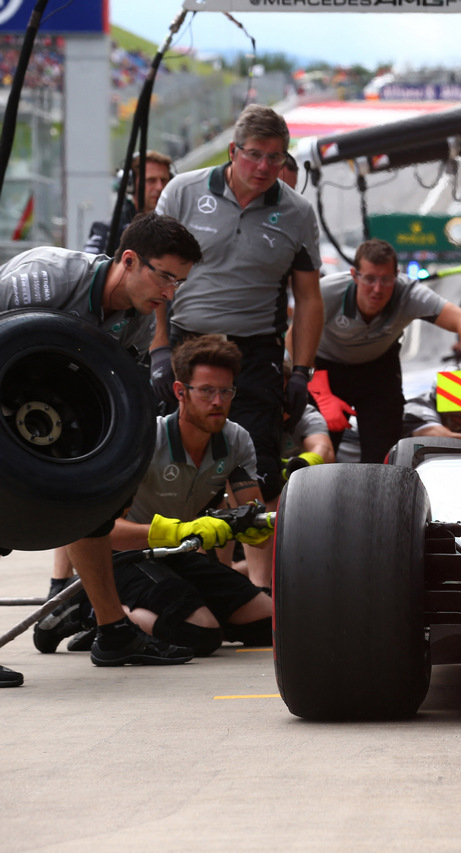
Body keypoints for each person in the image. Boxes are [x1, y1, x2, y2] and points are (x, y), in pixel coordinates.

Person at [0, 212, 205, 683]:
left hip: (39, 406)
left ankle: (114, 632)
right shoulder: (44, 279)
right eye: (166, 276)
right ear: (129, 260)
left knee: (95, 508)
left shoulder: (133, 319)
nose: (170, 293)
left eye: (180, 283)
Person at [155, 104, 324, 508]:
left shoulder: (298, 213)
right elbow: (154, 274)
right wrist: (159, 349)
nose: (264, 166)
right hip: (186, 341)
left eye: (275, 157)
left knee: (257, 470)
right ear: (233, 151)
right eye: (254, 154)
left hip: (255, 350)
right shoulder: (182, 192)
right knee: (169, 462)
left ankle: (254, 571)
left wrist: (301, 371)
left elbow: (309, 297)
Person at [105, 336, 274, 657]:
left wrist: (256, 529)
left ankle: (184, 608)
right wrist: (180, 531)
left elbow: (255, 524)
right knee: (200, 634)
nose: (218, 401)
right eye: (207, 390)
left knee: (270, 623)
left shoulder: (236, 440)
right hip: (123, 557)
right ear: (180, 392)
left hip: (177, 554)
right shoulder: (146, 439)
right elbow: (105, 531)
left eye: (226, 391)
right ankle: (96, 614)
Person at [312, 238, 461, 464]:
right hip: (325, 368)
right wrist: (320, 392)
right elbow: (295, 339)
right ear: (354, 275)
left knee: (382, 453)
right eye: (369, 279)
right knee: (322, 445)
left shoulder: (408, 292)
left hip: (378, 368)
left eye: (386, 280)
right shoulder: (328, 292)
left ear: (397, 275)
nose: (377, 289)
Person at [84, 150, 173, 256]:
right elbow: (92, 269)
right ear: (130, 184)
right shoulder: (107, 231)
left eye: (164, 180)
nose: (160, 187)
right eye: (151, 180)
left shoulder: (180, 227)